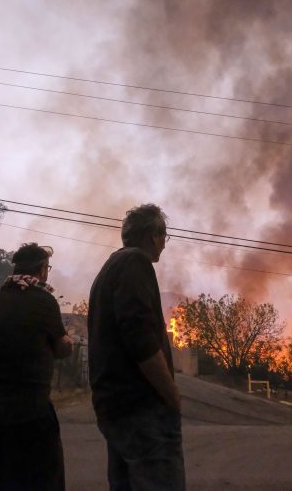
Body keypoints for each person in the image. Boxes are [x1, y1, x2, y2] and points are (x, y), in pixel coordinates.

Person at [0, 243, 74, 491]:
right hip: (29, 416)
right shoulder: (43, 301)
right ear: (42, 270)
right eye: (47, 267)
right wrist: (68, 342)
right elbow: (61, 348)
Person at [88, 203, 185, 491]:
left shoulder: (108, 269)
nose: (164, 246)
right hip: (141, 410)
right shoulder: (135, 263)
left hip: (116, 408)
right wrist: (171, 395)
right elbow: (139, 338)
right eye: (164, 237)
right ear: (154, 235)